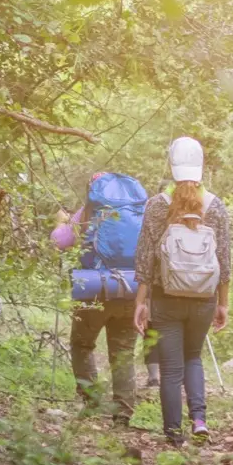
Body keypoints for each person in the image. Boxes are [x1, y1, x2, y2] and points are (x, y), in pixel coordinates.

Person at [133, 137, 231, 445]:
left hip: (166, 298)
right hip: (204, 299)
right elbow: (225, 261)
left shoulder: (156, 205)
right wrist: (223, 304)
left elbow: (146, 257)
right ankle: (199, 420)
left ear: (171, 165)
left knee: (171, 368)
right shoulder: (215, 206)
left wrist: (141, 302)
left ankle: (174, 434)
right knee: (194, 358)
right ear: (202, 166)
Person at [52, 170, 150, 419]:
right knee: (123, 351)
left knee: (82, 344)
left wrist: (61, 223)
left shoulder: (88, 212)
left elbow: (60, 242)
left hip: (93, 288)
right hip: (131, 288)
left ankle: (92, 400)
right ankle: (123, 412)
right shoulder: (139, 212)